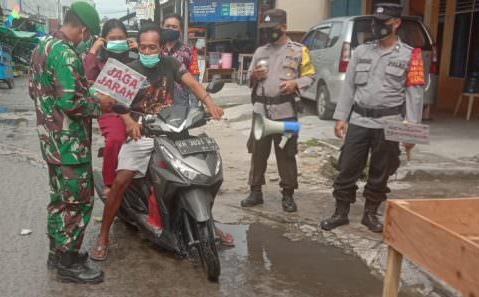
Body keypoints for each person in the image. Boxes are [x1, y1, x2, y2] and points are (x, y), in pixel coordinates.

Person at [90, 24, 225, 261]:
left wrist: (208, 101)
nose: (147, 51)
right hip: (142, 134)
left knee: (197, 172)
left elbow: (191, 83)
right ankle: (103, 235)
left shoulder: (171, 64)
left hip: (170, 130)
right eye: (143, 47)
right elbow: (115, 102)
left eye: (152, 47)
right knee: (121, 180)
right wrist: (128, 121)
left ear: (161, 48)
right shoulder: (130, 69)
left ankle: (209, 223)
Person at [29, 1, 115, 284]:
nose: (86, 39)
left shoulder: (43, 47)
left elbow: (37, 90)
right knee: (78, 201)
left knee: (59, 199)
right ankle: (68, 262)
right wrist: (99, 104)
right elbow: (71, 102)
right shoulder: (66, 54)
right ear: (81, 27)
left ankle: (58, 252)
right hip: (70, 144)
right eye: (87, 33)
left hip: (51, 139)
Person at [320, 3, 424, 233]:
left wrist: (411, 131)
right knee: (347, 167)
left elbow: (414, 94)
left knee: (381, 170)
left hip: (390, 122)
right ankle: (341, 212)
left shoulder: (410, 55)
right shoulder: (361, 51)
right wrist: (341, 117)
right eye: (374, 22)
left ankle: (370, 214)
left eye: (383, 23)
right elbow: (348, 87)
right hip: (359, 119)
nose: (376, 27)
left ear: (396, 23)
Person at [240, 9, 315, 213]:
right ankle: (255, 191)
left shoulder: (299, 51)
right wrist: (254, 75)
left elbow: (310, 76)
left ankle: (288, 195)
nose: (268, 33)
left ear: (283, 27)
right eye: (265, 30)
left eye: (272, 29)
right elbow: (247, 79)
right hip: (261, 112)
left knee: (286, 155)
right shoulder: (260, 51)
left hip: (287, 111)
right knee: (258, 153)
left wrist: (295, 83)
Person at [83, 19, 137, 198]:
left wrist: (139, 50)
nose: (117, 40)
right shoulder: (97, 61)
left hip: (136, 108)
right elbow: (85, 79)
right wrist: (93, 50)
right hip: (110, 109)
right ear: (104, 39)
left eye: (120, 37)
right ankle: (109, 182)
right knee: (115, 139)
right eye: (112, 38)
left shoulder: (135, 56)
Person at [161, 13, 198, 107]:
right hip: (157, 102)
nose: (170, 29)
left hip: (180, 103)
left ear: (180, 29)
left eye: (174, 27)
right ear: (162, 27)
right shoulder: (154, 49)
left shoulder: (189, 51)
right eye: (167, 26)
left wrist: (194, 107)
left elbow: (194, 80)